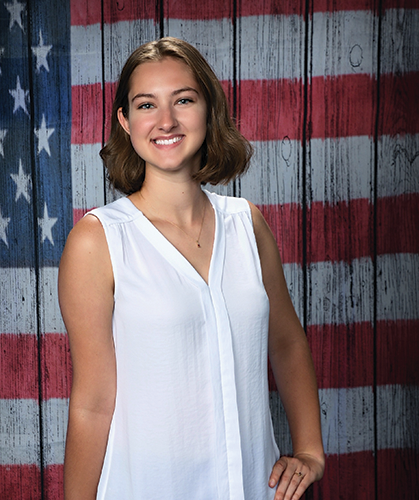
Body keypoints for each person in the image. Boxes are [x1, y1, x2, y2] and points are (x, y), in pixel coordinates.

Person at [58, 37, 324, 500]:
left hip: (254, 487)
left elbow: (286, 341)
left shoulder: (247, 224)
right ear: (124, 120)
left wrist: (310, 451)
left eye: (183, 99)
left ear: (208, 109)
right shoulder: (98, 240)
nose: (166, 121)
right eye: (146, 105)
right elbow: (93, 403)